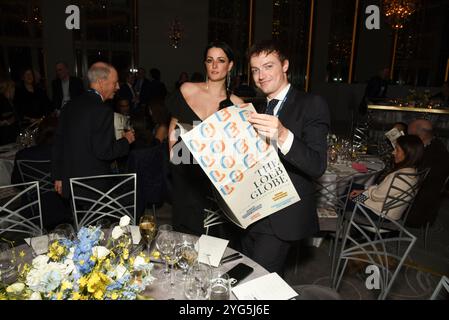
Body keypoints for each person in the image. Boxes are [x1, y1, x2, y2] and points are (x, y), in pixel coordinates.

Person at [243, 40, 330, 275]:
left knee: (256, 281)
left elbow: (317, 165)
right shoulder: (259, 109)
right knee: (252, 276)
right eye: (255, 70)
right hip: (253, 211)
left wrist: (282, 134)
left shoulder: (311, 104)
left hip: (283, 215)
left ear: (285, 66)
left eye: (268, 66)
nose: (261, 75)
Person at [167, 41, 244, 237]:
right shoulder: (187, 89)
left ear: (230, 65)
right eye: (210, 60)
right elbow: (173, 128)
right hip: (184, 173)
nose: (215, 66)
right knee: (183, 234)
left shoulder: (236, 105)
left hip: (214, 181)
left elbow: (239, 149)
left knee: (212, 236)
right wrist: (172, 155)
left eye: (221, 60)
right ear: (205, 63)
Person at [52, 62, 135, 198]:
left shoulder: (69, 106)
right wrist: (127, 140)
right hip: (93, 187)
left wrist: (58, 176)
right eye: (115, 83)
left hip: (70, 183)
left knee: (79, 219)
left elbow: (58, 143)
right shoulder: (102, 110)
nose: (118, 87)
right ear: (101, 83)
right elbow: (105, 152)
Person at [11, 115, 72, 229]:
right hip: (63, 210)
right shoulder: (66, 153)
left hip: (34, 212)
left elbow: (16, 183)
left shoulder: (22, 155)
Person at [349, 135, 424, 221]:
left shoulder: (400, 176)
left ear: (408, 154)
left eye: (397, 150)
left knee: (344, 195)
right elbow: (383, 191)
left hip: (378, 213)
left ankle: (344, 228)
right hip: (384, 208)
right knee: (352, 186)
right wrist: (364, 190)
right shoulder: (413, 172)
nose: (393, 152)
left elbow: (376, 195)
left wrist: (366, 192)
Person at [406, 119, 449, 227]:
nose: (408, 138)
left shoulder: (433, 154)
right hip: (424, 199)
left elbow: (413, 178)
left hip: (417, 208)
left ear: (420, 135)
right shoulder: (434, 144)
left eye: (410, 135)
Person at [0, 78, 20, 145]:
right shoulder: (3, 101)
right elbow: (7, 118)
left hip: (9, 135)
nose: (14, 90)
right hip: (6, 137)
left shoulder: (9, 101)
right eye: (12, 87)